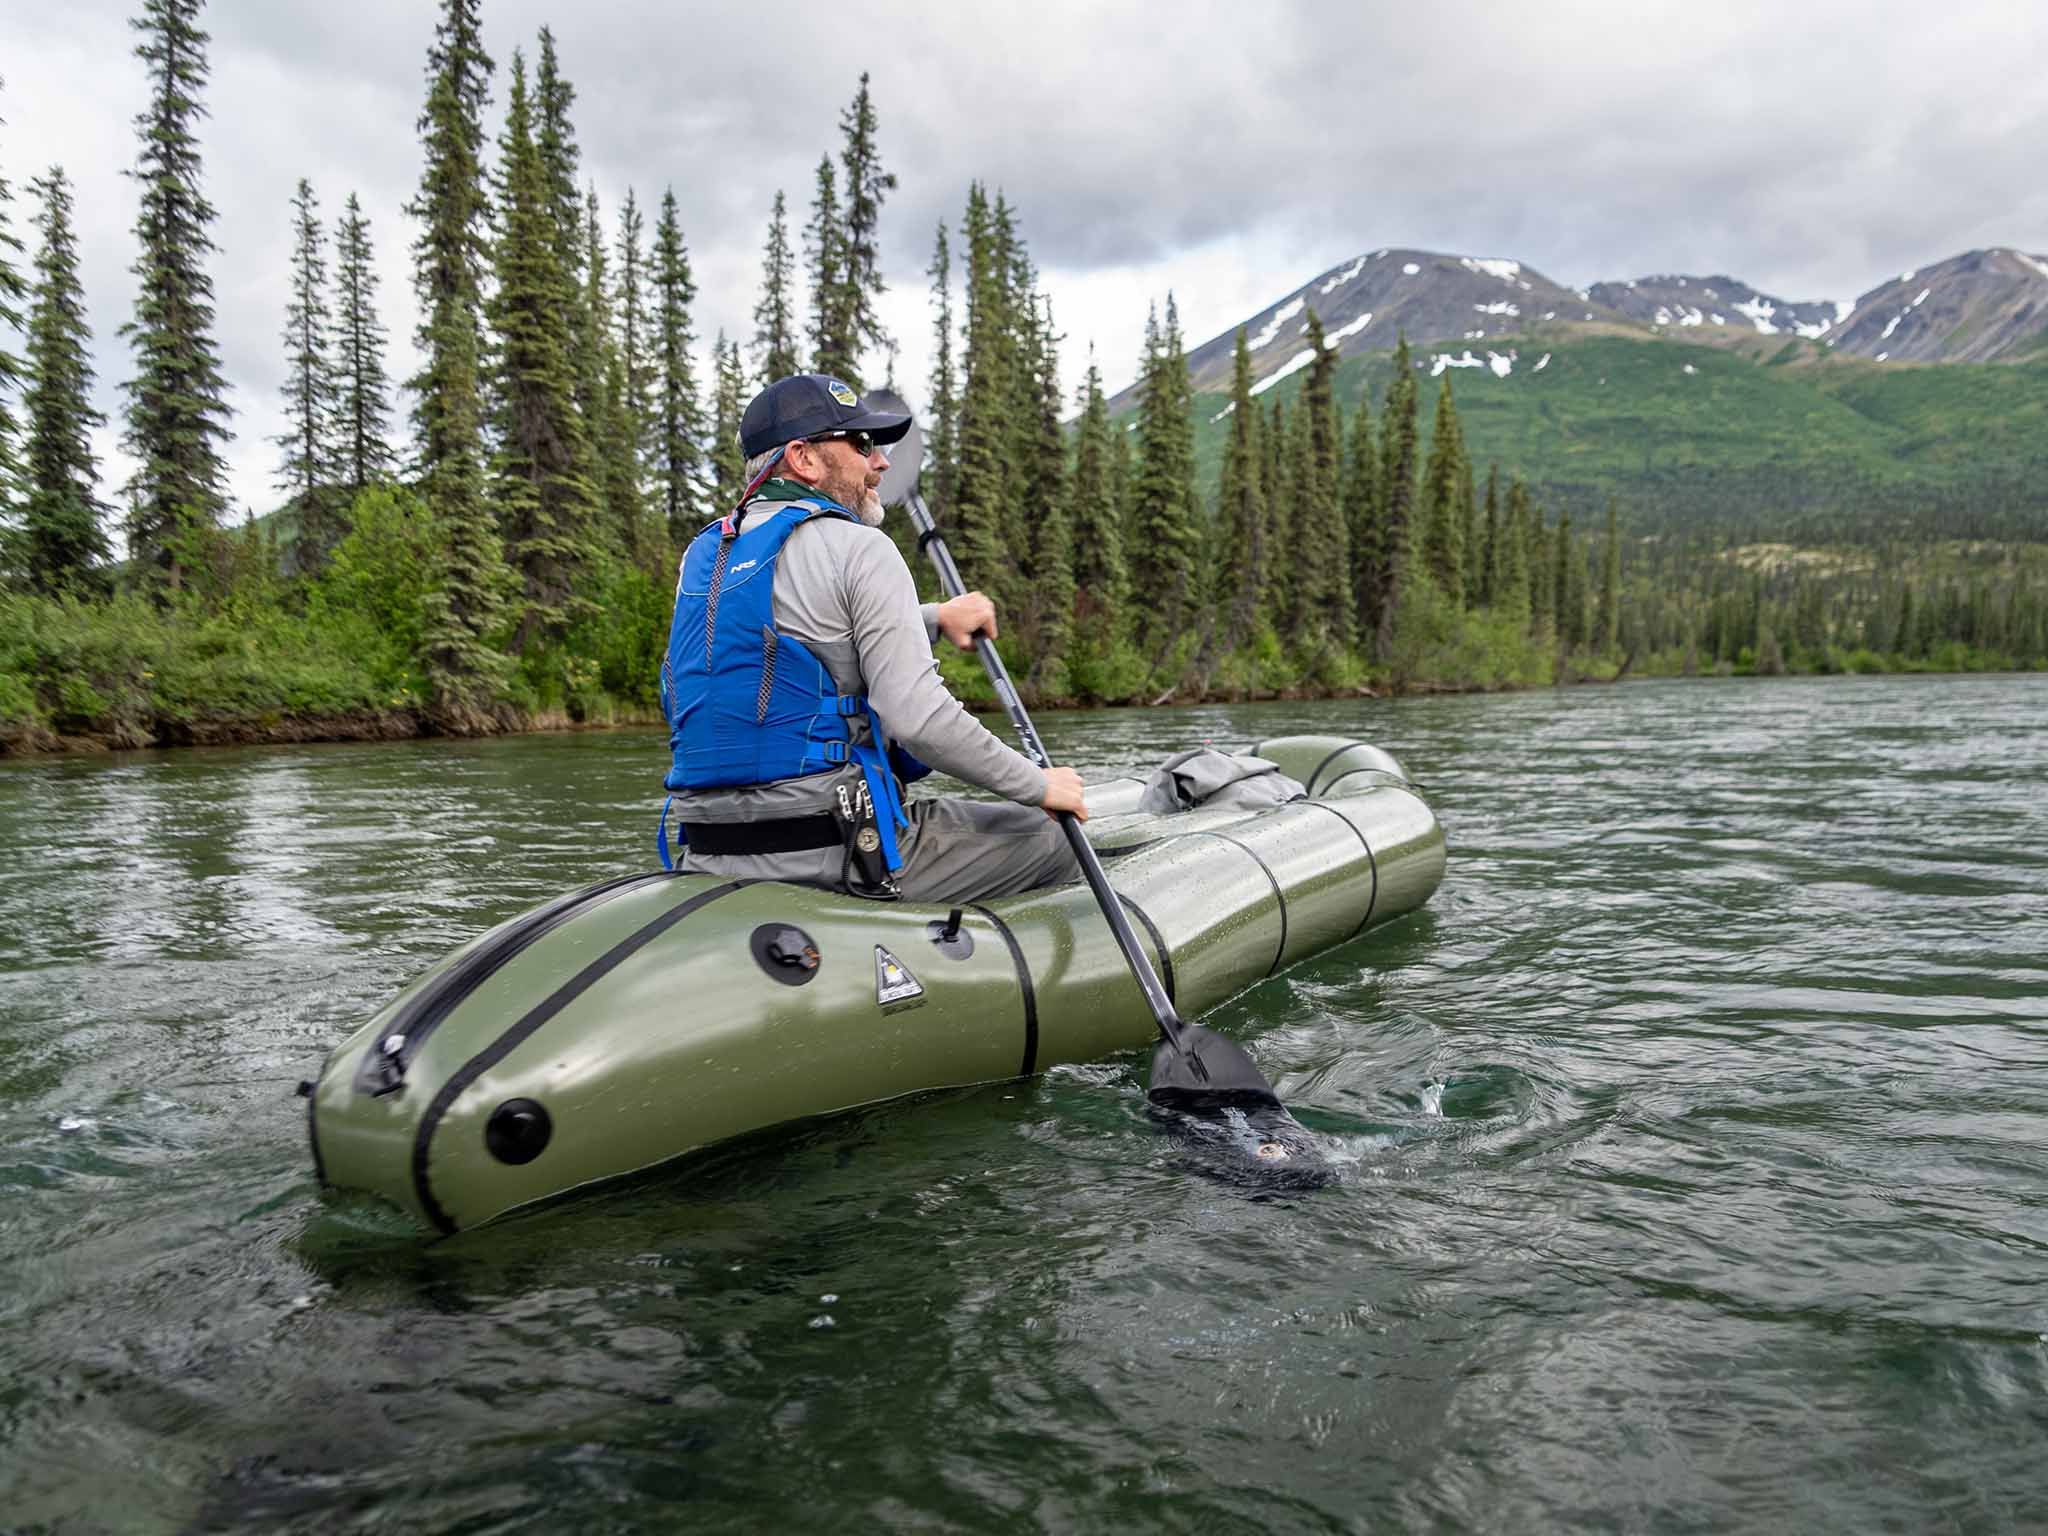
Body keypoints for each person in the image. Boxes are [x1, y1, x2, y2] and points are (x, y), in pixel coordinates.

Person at [658, 373, 1087, 903]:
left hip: (707, 849)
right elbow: (919, 719)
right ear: (804, 458)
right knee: (1055, 838)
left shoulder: (703, 560)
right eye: (861, 445)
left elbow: (782, 642)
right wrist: (1039, 785)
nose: (880, 462)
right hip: (837, 850)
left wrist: (932, 617)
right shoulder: (862, 548)